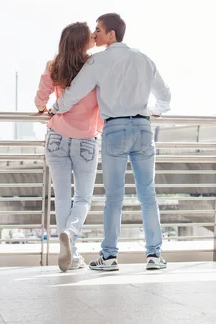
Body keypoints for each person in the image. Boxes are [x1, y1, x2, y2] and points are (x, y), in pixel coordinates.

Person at [50, 13, 171, 271]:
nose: (94, 34)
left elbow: (74, 93)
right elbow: (165, 95)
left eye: (98, 30)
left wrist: (55, 108)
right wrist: (156, 109)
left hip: (114, 129)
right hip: (142, 127)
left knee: (114, 197)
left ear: (111, 34)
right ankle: (154, 256)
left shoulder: (98, 62)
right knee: (147, 194)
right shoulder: (144, 59)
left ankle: (109, 257)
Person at [35, 22, 103, 272]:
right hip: (85, 139)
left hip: (56, 136)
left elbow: (40, 99)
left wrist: (45, 111)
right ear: (83, 42)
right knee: (83, 197)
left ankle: (72, 256)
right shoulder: (94, 65)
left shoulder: (54, 65)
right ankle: (71, 234)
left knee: (62, 197)